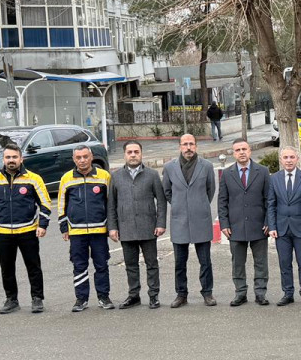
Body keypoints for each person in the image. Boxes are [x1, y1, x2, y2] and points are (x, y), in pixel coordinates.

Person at [0, 143, 51, 314]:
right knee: (7, 268)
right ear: (3, 159)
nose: (11, 160)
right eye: (8, 157)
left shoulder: (34, 179)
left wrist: (43, 225)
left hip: (28, 231)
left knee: (33, 266)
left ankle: (37, 298)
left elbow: (46, 203)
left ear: (21, 159)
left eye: (14, 157)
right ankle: (11, 299)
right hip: (3, 233)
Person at [108, 140, 167, 310]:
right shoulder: (116, 176)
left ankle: (154, 295)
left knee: (152, 264)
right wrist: (112, 227)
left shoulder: (152, 175)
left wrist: (160, 223)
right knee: (131, 265)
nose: (133, 155)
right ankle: (133, 295)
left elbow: (161, 202)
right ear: (124, 155)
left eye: (136, 152)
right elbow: (111, 204)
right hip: (125, 229)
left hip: (148, 227)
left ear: (141, 154)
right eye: (129, 152)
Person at [162, 133, 218, 307]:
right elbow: (167, 192)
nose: (188, 148)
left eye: (191, 144)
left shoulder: (207, 166)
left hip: (201, 219)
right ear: (180, 146)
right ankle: (181, 294)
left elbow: (210, 190)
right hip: (179, 220)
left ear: (196, 146)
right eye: (185, 144)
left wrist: (197, 205)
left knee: (205, 261)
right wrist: (180, 205)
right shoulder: (169, 167)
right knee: (180, 262)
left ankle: (207, 293)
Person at [57, 145, 114, 313]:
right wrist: (63, 227)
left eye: (85, 156)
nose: (82, 160)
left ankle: (104, 296)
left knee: (101, 265)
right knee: (79, 266)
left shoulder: (104, 176)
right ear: (74, 159)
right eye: (78, 157)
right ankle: (81, 298)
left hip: (99, 231)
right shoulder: (66, 178)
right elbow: (61, 204)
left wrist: (111, 226)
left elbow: (110, 203)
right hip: (76, 231)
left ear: (91, 157)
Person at [217, 138, 271, 306]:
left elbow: (269, 199)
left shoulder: (262, 171)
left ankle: (260, 293)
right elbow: (222, 201)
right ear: (233, 153)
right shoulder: (227, 174)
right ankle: (240, 293)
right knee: (238, 263)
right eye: (238, 150)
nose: (241, 152)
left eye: (244, 149)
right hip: (235, 227)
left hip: (259, 225)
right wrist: (224, 224)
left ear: (250, 151)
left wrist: (269, 221)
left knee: (261, 262)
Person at [268, 146, 301, 306]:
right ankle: (288, 293)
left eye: (291, 157)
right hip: (281, 229)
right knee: (284, 263)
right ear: (281, 160)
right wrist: (272, 226)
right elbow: (271, 204)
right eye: (285, 157)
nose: (288, 160)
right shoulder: (274, 179)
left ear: (297, 159)